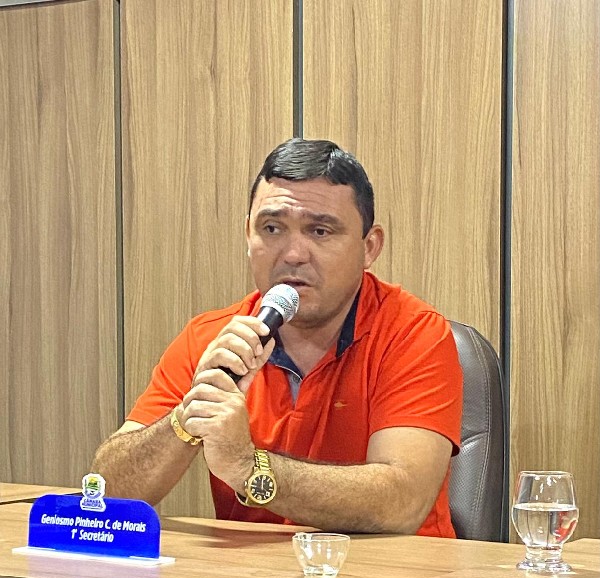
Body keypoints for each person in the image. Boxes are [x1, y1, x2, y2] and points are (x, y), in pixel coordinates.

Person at [91, 138, 463, 536]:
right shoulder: (213, 337)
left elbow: (401, 503)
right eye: (271, 228)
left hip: (390, 572)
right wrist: (184, 420)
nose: (293, 254)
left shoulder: (414, 333)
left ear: (369, 247)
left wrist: (249, 467)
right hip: (253, 573)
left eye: (320, 231)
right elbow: (105, 494)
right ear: (247, 235)